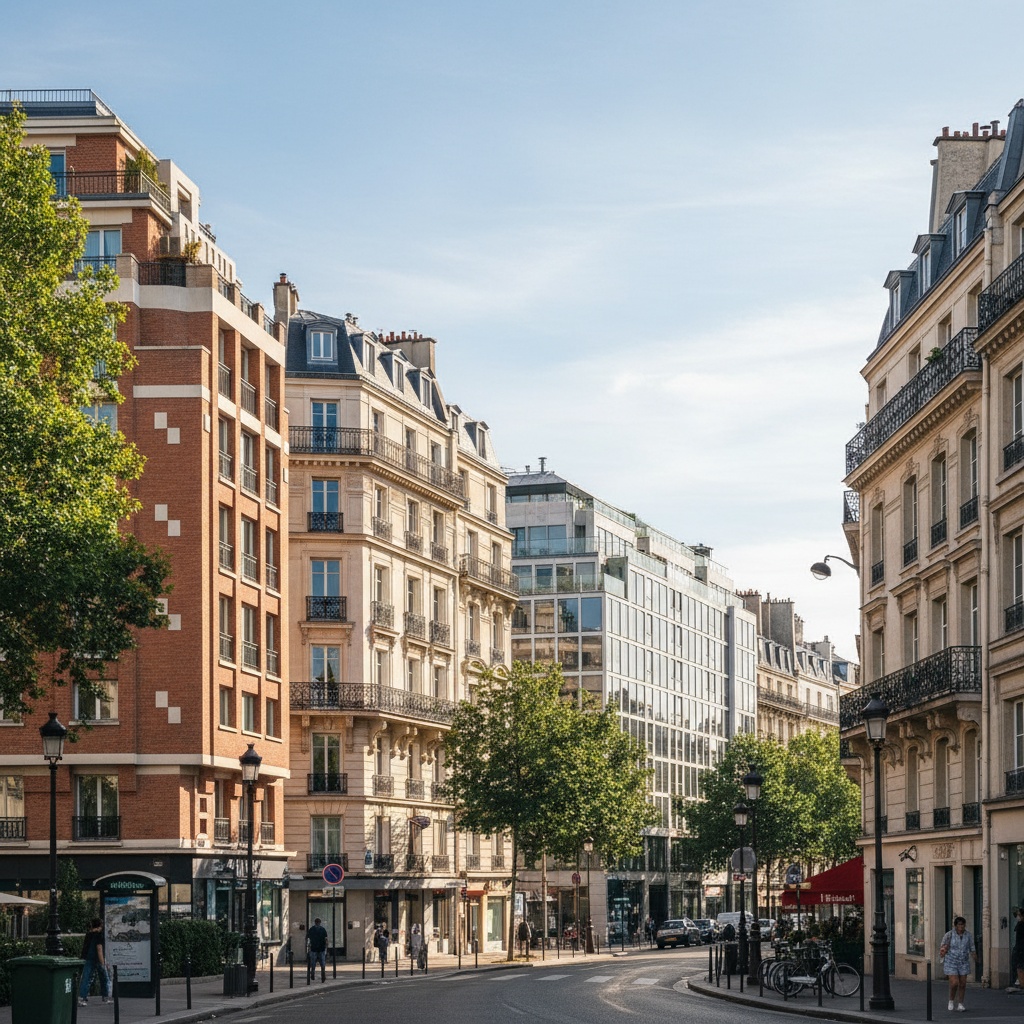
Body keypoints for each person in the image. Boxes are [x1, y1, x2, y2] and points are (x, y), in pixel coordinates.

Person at [939, 916, 976, 1012]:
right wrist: (943, 951)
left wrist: (975, 956)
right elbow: (942, 946)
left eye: (963, 924)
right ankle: (951, 1000)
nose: (961, 926)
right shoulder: (949, 935)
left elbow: (972, 947)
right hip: (951, 961)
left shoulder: (968, 935)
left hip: (963, 962)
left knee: (963, 984)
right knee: (955, 983)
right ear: (955, 925)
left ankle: (960, 1003)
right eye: (959, 924)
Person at [78, 918, 110, 1006]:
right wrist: (103, 963)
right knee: (104, 978)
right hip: (97, 959)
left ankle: (82, 998)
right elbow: (99, 949)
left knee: (86, 978)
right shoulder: (99, 935)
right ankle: (105, 997)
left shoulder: (88, 935)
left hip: (87, 958)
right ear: (100, 926)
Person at [307, 917, 328, 982]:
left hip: (314, 948)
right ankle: (323, 975)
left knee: (313, 963)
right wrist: (326, 948)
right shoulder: (323, 929)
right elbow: (326, 939)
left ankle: (313, 973)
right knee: (322, 964)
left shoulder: (311, 929)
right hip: (321, 948)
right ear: (319, 922)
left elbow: (308, 939)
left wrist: (308, 947)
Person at [1010, 907, 1024, 992]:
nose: (1017, 917)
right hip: (1019, 948)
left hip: (1020, 949)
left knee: (1019, 967)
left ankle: (1021, 984)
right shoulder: (1019, 924)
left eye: (1019, 915)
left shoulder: (1021, 925)